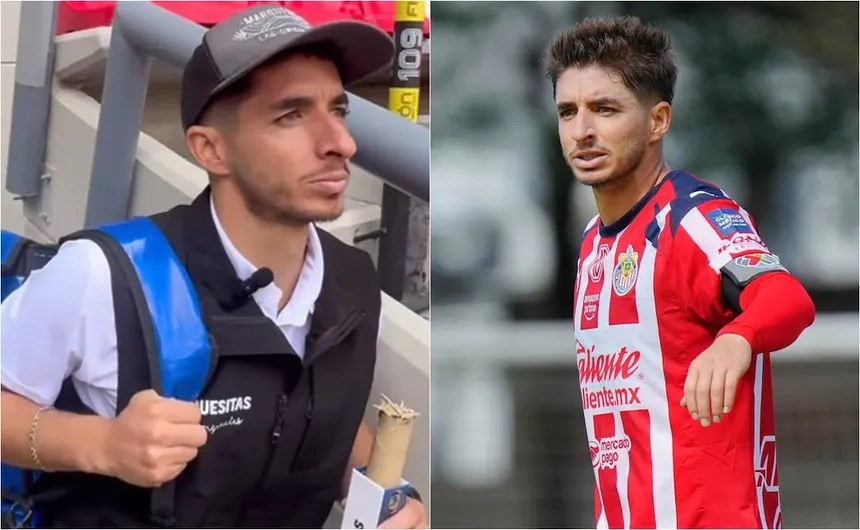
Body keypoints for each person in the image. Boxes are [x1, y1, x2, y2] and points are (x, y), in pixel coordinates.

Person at [0, 4, 427, 529]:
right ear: (211, 150)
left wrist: (389, 494)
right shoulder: (105, 274)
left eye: (338, 110)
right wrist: (103, 444)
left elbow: (315, 417)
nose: (340, 143)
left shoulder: (352, 280)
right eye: (291, 115)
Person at [545, 16, 815, 530]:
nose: (582, 131)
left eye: (605, 109)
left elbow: (787, 298)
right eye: (568, 112)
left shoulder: (691, 219)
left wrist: (737, 338)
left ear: (658, 121)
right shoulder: (591, 245)